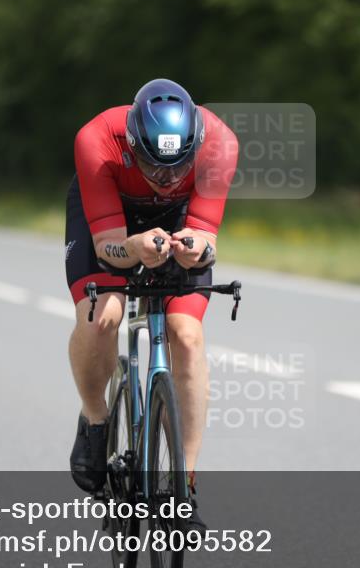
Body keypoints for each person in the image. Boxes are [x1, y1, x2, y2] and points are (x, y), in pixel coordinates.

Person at [66, 79, 238, 531]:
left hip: (178, 218)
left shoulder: (219, 143)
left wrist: (197, 251)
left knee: (187, 334)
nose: (164, 180)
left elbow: (207, 238)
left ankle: (185, 485)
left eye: (177, 168)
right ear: (132, 143)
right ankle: (95, 419)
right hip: (110, 217)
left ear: (196, 146)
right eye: (151, 165)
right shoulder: (97, 141)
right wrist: (135, 247)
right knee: (103, 315)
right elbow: (107, 248)